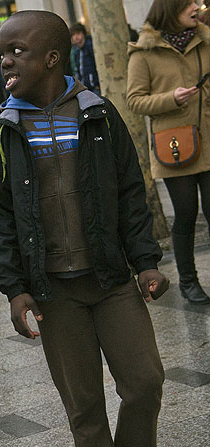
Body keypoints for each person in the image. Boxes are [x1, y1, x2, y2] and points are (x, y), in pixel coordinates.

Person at [0, 11, 176, 447]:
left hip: (112, 279)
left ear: (51, 57)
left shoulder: (98, 113)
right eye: (2, 53)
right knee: (83, 402)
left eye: (16, 52)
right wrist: (14, 288)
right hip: (52, 291)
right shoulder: (3, 130)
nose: (6, 62)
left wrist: (146, 261)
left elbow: (129, 193)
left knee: (145, 382)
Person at [127, 0, 210, 304]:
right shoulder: (144, 52)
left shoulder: (205, 40)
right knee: (186, 214)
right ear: (171, 8)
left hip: (209, 137)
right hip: (175, 145)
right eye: (190, 3)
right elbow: (135, 101)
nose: (196, 7)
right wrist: (170, 98)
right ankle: (189, 282)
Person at [69, 23, 101, 94]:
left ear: (83, 33)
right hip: (85, 88)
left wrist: (97, 84)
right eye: (73, 35)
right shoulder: (76, 51)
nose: (75, 37)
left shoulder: (90, 46)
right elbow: (77, 70)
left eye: (78, 33)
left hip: (95, 87)